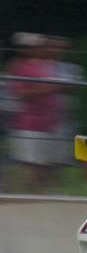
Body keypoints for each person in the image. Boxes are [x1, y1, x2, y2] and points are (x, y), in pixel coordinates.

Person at [5, 32, 64, 192]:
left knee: (45, 162)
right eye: (38, 47)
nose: (42, 49)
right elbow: (20, 92)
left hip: (48, 122)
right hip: (28, 124)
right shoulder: (18, 67)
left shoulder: (45, 66)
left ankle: (43, 193)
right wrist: (49, 89)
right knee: (31, 164)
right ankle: (28, 195)